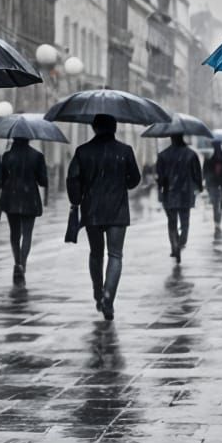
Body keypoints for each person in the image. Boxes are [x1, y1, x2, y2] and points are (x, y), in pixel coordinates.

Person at [68, 113, 141, 320]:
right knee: (116, 254)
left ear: (94, 128)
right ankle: (109, 295)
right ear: (115, 128)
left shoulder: (83, 151)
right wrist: (120, 183)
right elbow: (134, 179)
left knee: (96, 253)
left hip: (92, 209)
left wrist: (77, 199)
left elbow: (73, 179)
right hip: (117, 209)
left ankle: (97, 291)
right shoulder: (124, 151)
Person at [0, 135, 47, 284]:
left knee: (15, 234)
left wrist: (1, 164)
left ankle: (17, 263)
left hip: (11, 199)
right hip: (30, 198)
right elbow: (43, 181)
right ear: (28, 138)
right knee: (27, 233)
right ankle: (23, 266)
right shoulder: (37, 156)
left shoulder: (6, 156)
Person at [156, 132, 202, 261]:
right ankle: (182, 241)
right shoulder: (191, 154)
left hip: (169, 193)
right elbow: (197, 173)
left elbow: (160, 177)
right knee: (185, 221)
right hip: (186, 193)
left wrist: (160, 190)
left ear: (171, 138)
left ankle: (174, 246)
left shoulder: (163, 155)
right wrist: (199, 187)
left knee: (172, 222)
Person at [205, 143, 222, 224]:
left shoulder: (216, 160)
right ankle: (217, 217)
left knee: (217, 202)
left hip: (217, 184)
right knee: (218, 202)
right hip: (218, 184)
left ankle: (217, 217)